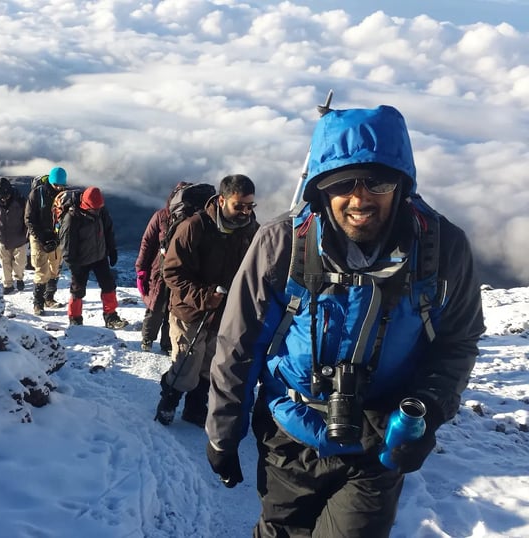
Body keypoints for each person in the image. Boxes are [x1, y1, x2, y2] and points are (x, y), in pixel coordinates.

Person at [205, 106, 485, 537]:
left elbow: (458, 342)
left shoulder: (442, 249)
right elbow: (239, 344)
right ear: (320, 188)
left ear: (402, 184)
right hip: (290, 433)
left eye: (377, 181)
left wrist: (427, 409)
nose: (359, 198)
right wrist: (223, 434)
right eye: (341, 183)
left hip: (380, 440)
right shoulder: (282, 244)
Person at [155, 174, 258, 427]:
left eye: (250, 206)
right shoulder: (194, 227)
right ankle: (169, 400)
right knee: (187, 364)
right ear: (222, 200)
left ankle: (194, 408)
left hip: (223, 312)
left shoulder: (250, 230)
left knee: (209, 363)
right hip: (189, 310)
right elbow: (172, 272)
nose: (245, 212)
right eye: (239, 206)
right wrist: (205, 297)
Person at [57, 186, 129, 329]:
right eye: (93, 208)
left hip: (100, 256)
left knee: (108, 285)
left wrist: (112, 250)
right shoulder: (72, 218)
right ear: (85, 204)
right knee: (77, 290)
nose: (96, 211)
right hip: (80, 261)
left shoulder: (101, 210)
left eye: (99, 207)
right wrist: (73, 266)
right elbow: (67, 245)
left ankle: (111, 317)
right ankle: (75, 319)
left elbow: (108, 231)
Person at [134, 183, 189, 353]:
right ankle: (148, 338)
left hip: (181, 272)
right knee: (156, 306)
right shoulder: (161, 216)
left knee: (173, 310)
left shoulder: (192, 220)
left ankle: (168, 343)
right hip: (160, 270)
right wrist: (141, 269)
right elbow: (148, 242)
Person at [25, 166, 67, 315]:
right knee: (41, 270)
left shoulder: (64, 196)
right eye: (56, 184)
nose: (59, 187)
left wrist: (58, 237)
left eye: (61, 185)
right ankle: (38, 303)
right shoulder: (37, 194)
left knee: (55, 269)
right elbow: (29, 219)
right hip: (39, 236)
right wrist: (42, 238)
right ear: (51, 181)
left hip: (56, 237)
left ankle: (49, 298)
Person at [0, 177, 29, 294]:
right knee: (4, 263)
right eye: (1, 196)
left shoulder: (20, 200)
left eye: (5, 195)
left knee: (20, 263)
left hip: (20, 238)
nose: (4, 198)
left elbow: (27, 217)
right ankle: (7, 284)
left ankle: (19, 278)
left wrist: (28, 233)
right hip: (3, 238)